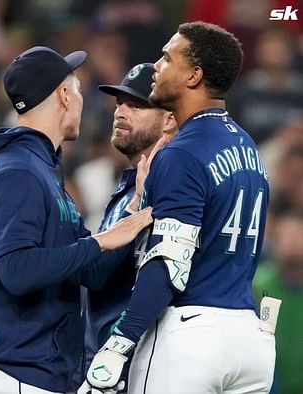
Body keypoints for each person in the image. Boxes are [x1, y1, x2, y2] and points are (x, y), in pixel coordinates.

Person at [81, 22, 275, 394]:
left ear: (193, 75)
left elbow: (169, 263)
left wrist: (120, 342)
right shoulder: (248, 146)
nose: (157, 65)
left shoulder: (181, 151)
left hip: (192, 334)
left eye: (167, 58)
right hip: (250, 336)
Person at [0, 46, 153, 394]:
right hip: (13, 371)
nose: (81, 98)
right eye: (76, 88)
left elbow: (91, 271)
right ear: (63, 95)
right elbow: (17, 271)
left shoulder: (41, 169)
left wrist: (134, 207)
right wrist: (101, 240)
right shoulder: (18, 170)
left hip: (24, 370)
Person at [81, 62, 176, 390]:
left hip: (141, 364)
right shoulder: (128, 188)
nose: (120, 112)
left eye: (136, 105)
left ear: (168, 119)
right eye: (119, 103)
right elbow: (96, 276)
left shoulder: (175, 190)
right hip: (107, 359)